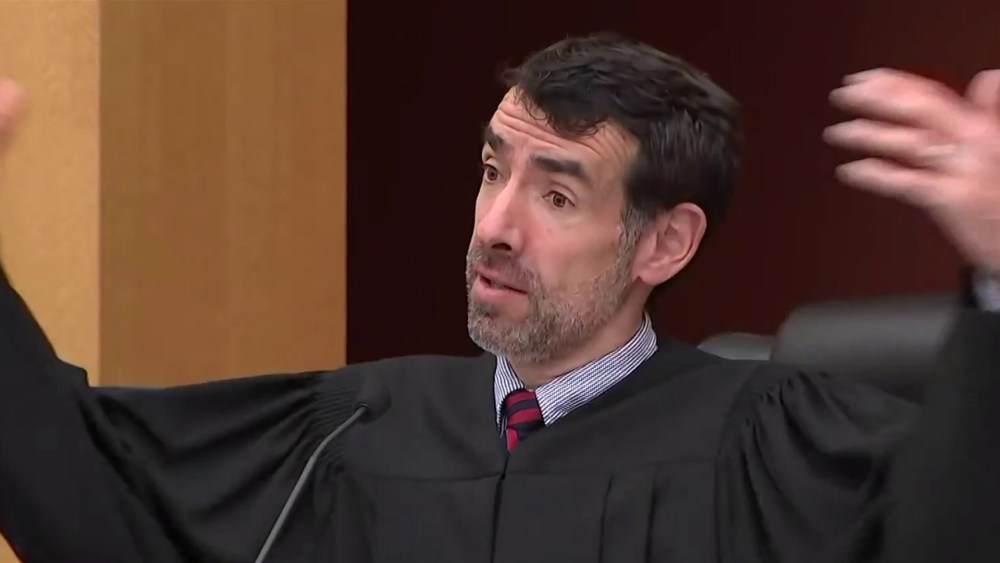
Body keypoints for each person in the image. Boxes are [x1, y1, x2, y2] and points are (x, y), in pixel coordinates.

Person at [0, 32, 998, 563]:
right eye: (491, 172)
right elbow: (89, 493)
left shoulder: (767, 447)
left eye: (556, 194)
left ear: (665, 241)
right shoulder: (344, 432)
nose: (495, 226)